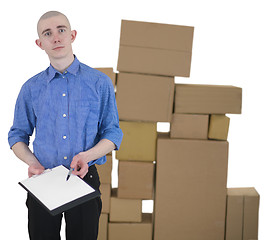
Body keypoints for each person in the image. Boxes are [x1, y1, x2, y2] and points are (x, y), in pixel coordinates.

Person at [8, 11, 123, 240]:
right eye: (48, 33)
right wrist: (33, 164)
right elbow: (17, 136)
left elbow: (113, 133)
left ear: (72, 35)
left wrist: (87, 156)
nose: (56, 38)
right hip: (43, 181)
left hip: (84, 179)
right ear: (40, 43)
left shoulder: (99, 83)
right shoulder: (30, 88)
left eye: (61, 30)